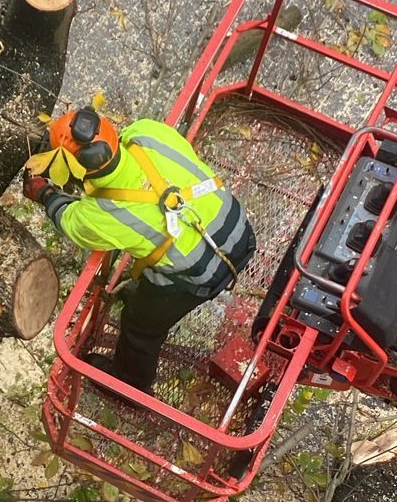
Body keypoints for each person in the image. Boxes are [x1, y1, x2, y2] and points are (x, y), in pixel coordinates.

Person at [23, 106, 255, 391]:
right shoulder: (146, 133)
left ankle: (130, 383)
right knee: (152, 269)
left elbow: (69, 219)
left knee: (139, 327)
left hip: (203, 275)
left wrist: (44, 193)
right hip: (241, 231)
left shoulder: (101, 215)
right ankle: (138, 293)